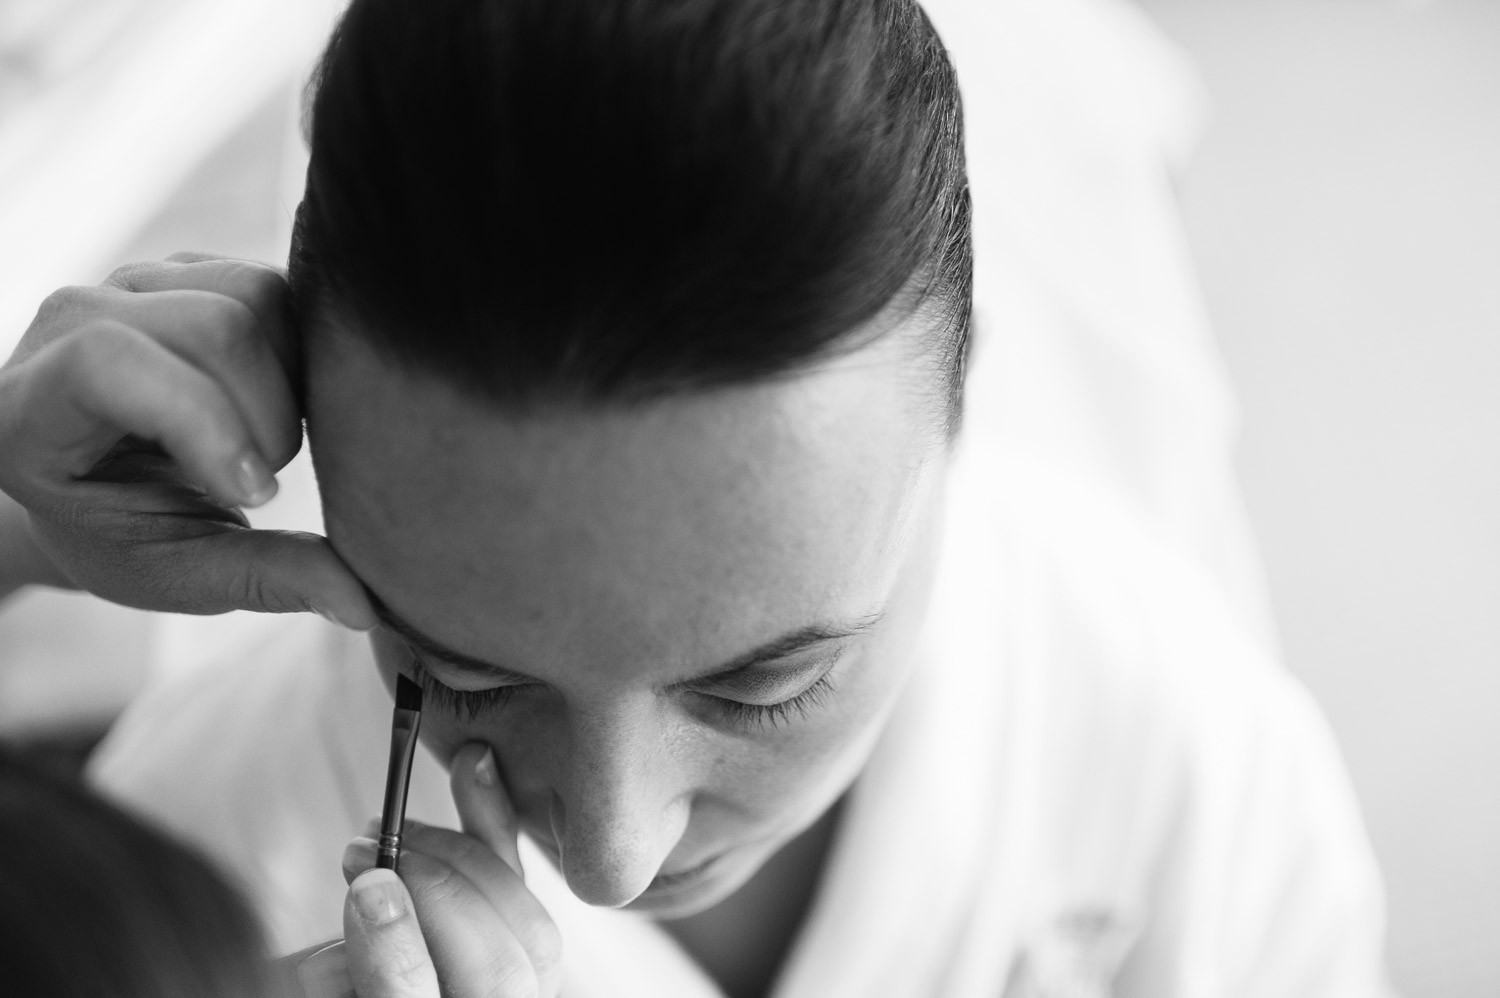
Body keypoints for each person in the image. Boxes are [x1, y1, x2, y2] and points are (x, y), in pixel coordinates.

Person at [0, 0, 1396, 995]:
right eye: (458, 672)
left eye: (767, 685)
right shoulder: (193, 872)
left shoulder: (1196, 780)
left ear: (966, 391)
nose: (611, 854)